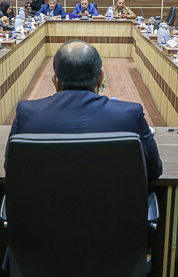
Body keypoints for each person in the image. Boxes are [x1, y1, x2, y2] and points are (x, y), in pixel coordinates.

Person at [9, 40, 162, 181]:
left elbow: (11, 168)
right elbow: (154, 170)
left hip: (43, 202)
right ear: (100, 79)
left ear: (55, 80)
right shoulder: (130, 115)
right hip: (114, 202)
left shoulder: (27, 114)